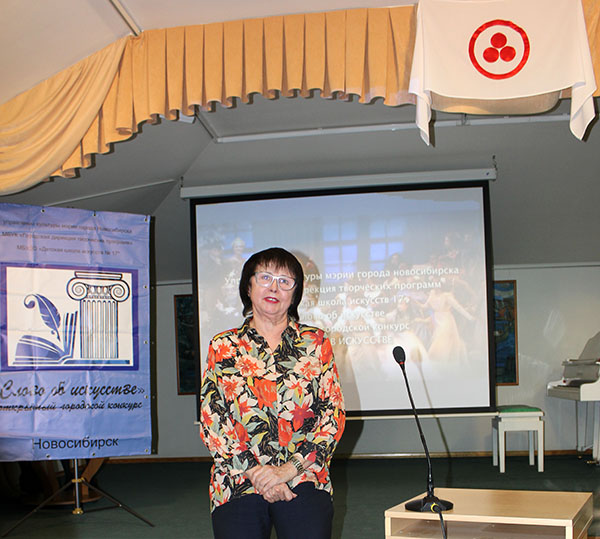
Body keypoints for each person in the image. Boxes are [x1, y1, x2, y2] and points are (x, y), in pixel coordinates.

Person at [199, 247, 346, 539]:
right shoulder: (223, 346)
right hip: (238, 478)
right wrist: (256, 473)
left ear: (295, 293)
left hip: (304, 475)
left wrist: (287, 471)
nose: (274, 288)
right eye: (265, 277)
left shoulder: (316, 343)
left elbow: (333, 415)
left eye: (285, 281)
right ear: (248, 286)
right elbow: (212, 419)